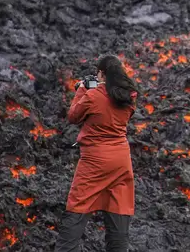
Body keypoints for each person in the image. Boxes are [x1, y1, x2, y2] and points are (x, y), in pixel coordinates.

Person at [55, 55, 139, 252]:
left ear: (101, 74)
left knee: (77, 207)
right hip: (121, 160)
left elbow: (73, 116)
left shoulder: (93, 95)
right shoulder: (129, 96)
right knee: (119, 208)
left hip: (95, 161)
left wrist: (83, 89)